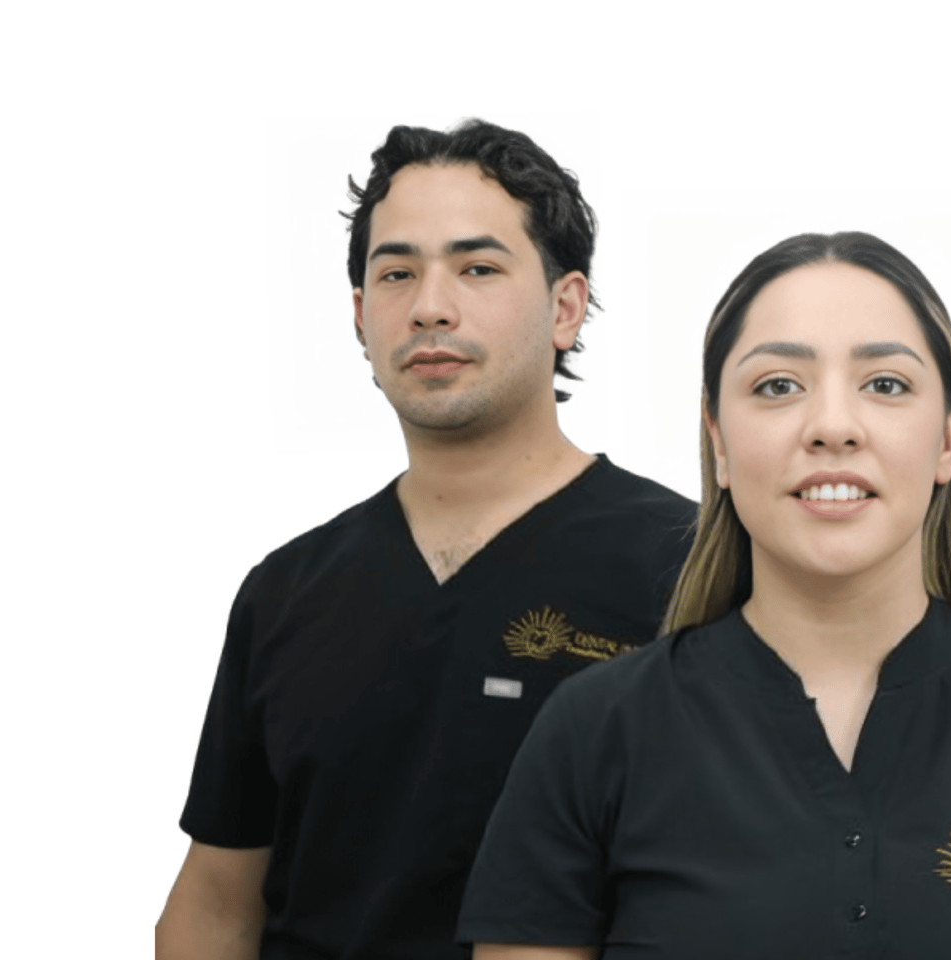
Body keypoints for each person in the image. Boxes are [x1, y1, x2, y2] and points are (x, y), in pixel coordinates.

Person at [457, 232, 951, 959]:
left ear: (949, 438)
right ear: (719, 440)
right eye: (779, 385)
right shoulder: (594, 731)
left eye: (886, 384)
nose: (833, 426)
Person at [156, 120, 696, 960]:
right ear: (362, 316)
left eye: (478, 269)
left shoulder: (694, 568)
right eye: (397, 273)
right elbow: (215, 905)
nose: (431, 306)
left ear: (565, 306)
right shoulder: (286, 592)